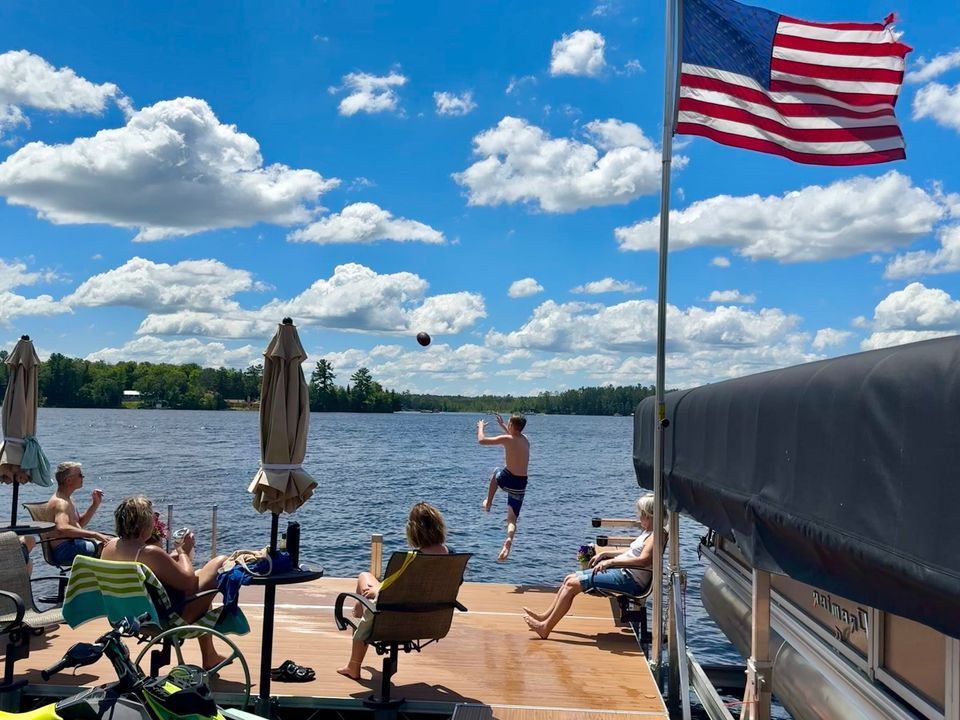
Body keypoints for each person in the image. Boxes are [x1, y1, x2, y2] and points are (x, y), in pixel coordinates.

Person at [100, 496, 228, 671]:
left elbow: (158, 565)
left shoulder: (109, 547)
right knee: (220, 563)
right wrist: (183, 551)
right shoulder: (149, 553)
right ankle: (213, 650)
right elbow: (188, 583)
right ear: (144, 525)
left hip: (127, 616)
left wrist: (172, 558)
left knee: (201, 576)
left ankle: (210, 656)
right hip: (166, 621)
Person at [522, 495, 663, 640]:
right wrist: (607, 554)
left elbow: (643, 561)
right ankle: (545, 617)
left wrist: (611, 562)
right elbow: (631, 552)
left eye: (641, 514)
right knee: (569, 578)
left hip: (629, 580)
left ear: (648, 515)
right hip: (622, 573)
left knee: (572, 585)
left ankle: (545, 628)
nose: (639, 517)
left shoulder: (656, 536)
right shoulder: (648, 533)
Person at [337, 501, 450, 681]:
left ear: (414, 531)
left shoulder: (412, 559)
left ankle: (353, 666)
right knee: (366, 580)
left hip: (394, 617)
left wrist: (376, 593)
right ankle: (360, 609)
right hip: (428, 619)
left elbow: (395, 592)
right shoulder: (450, 556)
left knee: (364, 581)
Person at [477, 413, 529, 562]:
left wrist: (481, 427)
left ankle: (489, 503)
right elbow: (514, 437)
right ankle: (508, 541)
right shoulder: (525, 440)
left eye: (508, 423)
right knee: (512, 519)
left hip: (509, 477)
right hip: (521, 484)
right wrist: (502, 425)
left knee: (496, 472)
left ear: (512, 426)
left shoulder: (507, 439)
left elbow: (482, 440)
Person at [45, 461, 110, 566]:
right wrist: (94, 534)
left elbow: (79, 524)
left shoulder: (68, 498)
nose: (83, 477)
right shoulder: (61, 502)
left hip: (72, 544)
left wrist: (95, 504)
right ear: (69, 480)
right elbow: (62, 527)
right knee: (109, 548)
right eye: (80, 475)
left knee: (110, 542)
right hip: (64, 549)